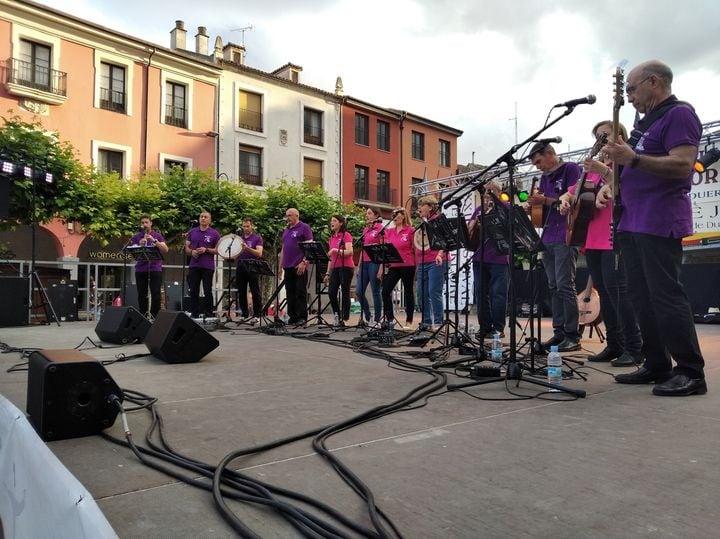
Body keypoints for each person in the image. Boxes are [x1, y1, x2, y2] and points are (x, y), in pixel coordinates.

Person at [597, 59, 706, 396]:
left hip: (658, 218)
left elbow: (684, 164)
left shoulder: (679, 114)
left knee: (665, 295)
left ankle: (690, 372)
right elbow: (630, 171)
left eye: (631, 89)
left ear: (654, 82)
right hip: (632, 219)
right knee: (640, 297)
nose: (628, 97)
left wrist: (633, 159)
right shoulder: (646, 124)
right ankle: (657, 364)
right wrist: (609, 182)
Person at [559, 121, 643, 367]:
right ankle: (614, 344)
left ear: (621, 135)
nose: (601, 140)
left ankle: (634, 346)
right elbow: (571, 192)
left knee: (619, 293)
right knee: (606, 294)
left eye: (605, 134)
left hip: (613, 235)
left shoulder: (624, 163)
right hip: (591, 237)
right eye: (597, 136)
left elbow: (625, 189)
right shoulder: (593, 170)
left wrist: (604, 171)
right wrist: (565, 200)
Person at [528, 142, 582, 352]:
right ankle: (559, 333)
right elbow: (542, 212)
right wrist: (534, 206)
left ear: (550, 153)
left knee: (565, 284)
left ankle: (572, 334)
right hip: (548, 235)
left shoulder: (571, 169)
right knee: (553, 286)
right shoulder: (543, 178)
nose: (538, 167)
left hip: (566, 234)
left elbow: (573, 202)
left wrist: (545, 200)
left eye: (539, 161)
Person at [467, 181, 509, 339]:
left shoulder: (505, 207)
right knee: (480, 293)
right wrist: (475, 222)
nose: (487, 195)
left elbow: (511, 228)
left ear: (498, 193)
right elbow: (469, 231)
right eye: (485, 192)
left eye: (491, 192)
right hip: (479, 256)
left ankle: (498, 328)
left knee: (498, 293)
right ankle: (484, 326)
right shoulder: (479, 209)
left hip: (499, 257)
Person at [414, 195, 447, 330]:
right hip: (423, 261)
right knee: (421, 293)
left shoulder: (438, 221)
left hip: (436, 260)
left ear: (431, 207)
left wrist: (440, 254)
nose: (419, 208)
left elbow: (446, 240)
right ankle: (426, 322)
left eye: (422, 205)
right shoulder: (423, 222)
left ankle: (438, 323)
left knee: (434, 291)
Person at [379, 208, 416, 328]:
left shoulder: (410, 230)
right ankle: (390, 319)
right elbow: (385, 248)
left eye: (398, 216)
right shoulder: (389, 231)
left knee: (408, 292)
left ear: (404, 217)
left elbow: (415, 248)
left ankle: (409, 320)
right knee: (385, 291)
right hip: (394, 265)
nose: (396, 218)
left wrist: (417, 265)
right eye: (394, 216)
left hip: (408, 264)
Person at [131, 214, 169, 319]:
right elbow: (133, 254)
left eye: (146, 222)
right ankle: (143, 316)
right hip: (140, 269)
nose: (144, 224)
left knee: (155, 293)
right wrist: (140, 245)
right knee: (141, 294)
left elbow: (165, 249)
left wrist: (154, 240)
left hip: (155, 268)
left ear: (151, 223)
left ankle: (154, 316)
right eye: (142, 223)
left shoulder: (157, 235)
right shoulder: (136, 236)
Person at [184, 210, 220, 318]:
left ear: (210, 220)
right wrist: (192, 252)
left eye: (205, 217)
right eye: (201, 216)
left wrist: (206, 250)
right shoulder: (192, 232)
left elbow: (218, 250)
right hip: (194, 265)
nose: (203, 218)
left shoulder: (214, 233)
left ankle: (208, 313)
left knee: (207, 290)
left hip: (207, 266)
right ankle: (195, 313)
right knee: (193, 290)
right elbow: (186, 248)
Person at [280, 208, 313, 325]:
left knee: (300, 291)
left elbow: (309, 247)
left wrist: (304, 262)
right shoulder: (286, 230)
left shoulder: (304, 228)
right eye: (286, 215)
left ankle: (302, 317)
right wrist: (280, 266)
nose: (287, 218)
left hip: (299, 265)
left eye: (289, 215)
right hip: (287, 266)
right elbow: (284, 249)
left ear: (296, 216)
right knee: (290, 292)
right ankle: (292, 316)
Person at [324, 215, 354, 327]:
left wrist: (335, 250)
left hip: (346, 267)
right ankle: (337, 315)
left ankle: (345, 318)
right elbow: (330, 258)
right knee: (331, 292)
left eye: (334, 221)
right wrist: (327, 273)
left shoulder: (346, 235)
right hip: (335, 268)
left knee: (345, 292)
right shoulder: (332, 238)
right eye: (331, 220)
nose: (332, 222)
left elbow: (350, 252)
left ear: (341, 223)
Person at [356, 207, 384, 326]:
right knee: (359, 291)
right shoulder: (366, 229)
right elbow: (364, 248)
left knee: (375, 291)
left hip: (375, 263)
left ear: (376, 215)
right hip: (364, 264)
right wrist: (359, 264)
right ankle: (367, 316)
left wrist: (381, 268)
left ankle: (377, 319)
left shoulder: (380, 229)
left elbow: (383, 248)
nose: (366, 215)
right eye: (366, 214)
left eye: (369, 213)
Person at [234, 218, 264, 324]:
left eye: (248, 226)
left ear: (252, 226)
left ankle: (257, 315)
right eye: (244, 226)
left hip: (252, 266)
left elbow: (259, 253)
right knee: (241, 292)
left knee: (255, 291)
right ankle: (245, 314)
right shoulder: (239, 239)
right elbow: (235, 254)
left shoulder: (257, 238)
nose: (246, 228)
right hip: (241, 266)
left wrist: (247, 249)